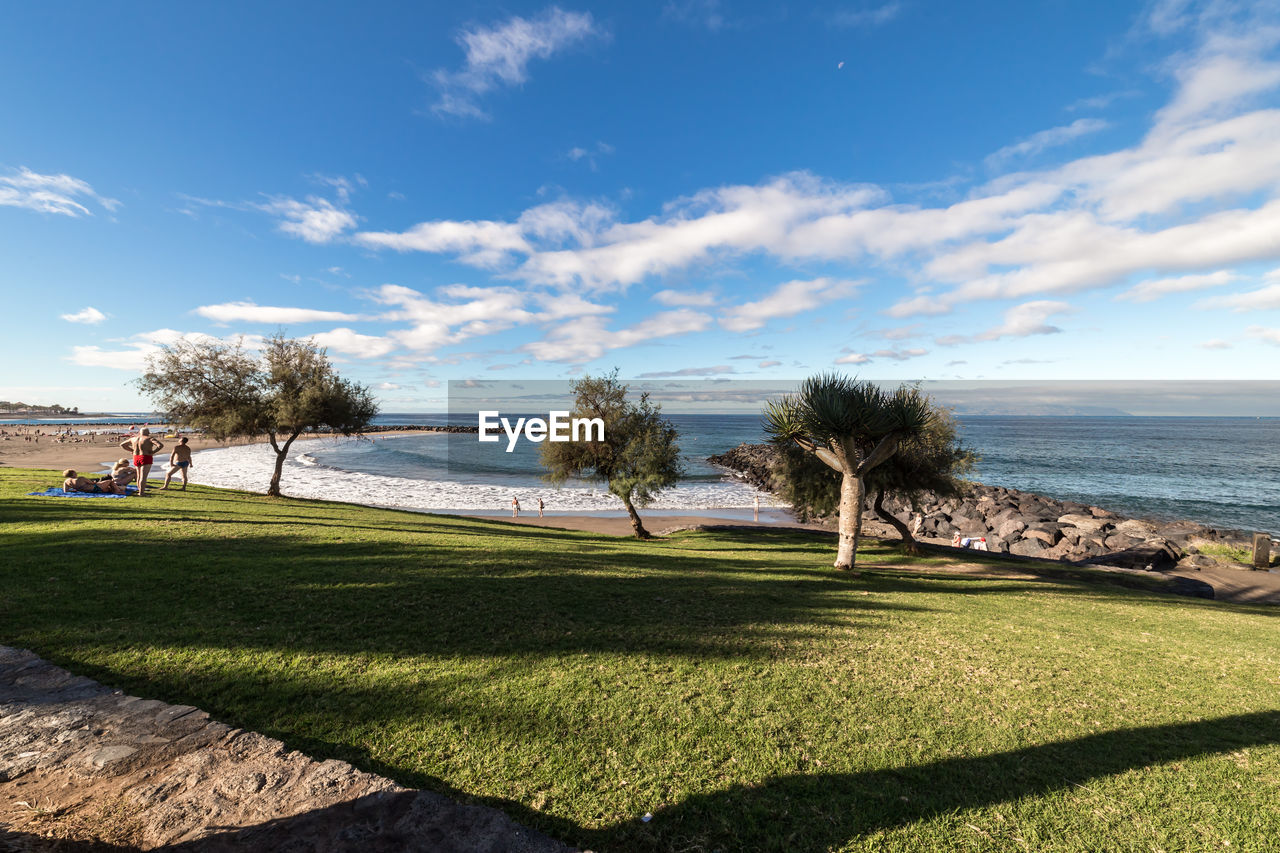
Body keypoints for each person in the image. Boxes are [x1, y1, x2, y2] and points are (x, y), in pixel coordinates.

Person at [120, 428, 164, 496]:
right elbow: (160, 445)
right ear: (148, 432)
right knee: (143, 476)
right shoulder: (149, 438)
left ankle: (139, 490)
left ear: (140, 432)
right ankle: (141, 493)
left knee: (138, 475)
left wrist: (132, 450)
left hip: (136, 457)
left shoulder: (133, 438)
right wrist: (153, 452)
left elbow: (122, 445)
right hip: (145, 456)